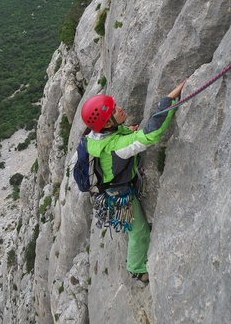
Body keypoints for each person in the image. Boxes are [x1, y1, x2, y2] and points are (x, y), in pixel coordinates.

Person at [80, 79, 187, 284]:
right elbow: (151, 134)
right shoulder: (116, 146)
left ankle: (136, 264)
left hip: (110, 190)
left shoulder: (97, 135)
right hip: (118, 196)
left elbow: (114, 140)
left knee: (136, 230)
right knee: (139, 231)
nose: (119, 107)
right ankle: (136, 268)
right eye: (114, 109)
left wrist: (126, 130)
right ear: (109, 123)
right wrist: (169, 99)